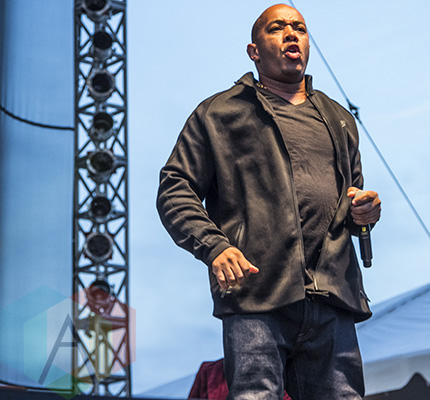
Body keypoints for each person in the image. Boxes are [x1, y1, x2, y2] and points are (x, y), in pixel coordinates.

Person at [157, 4, 381, 399]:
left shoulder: (339, 119)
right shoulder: (219, 113)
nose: (292, 34)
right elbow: (175, 188)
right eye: (277, 28)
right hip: (256, 291)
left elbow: (351, 203)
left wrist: (364, 212)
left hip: (333, 296)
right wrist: (215, 247)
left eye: (300, 28)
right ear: (254, 51)